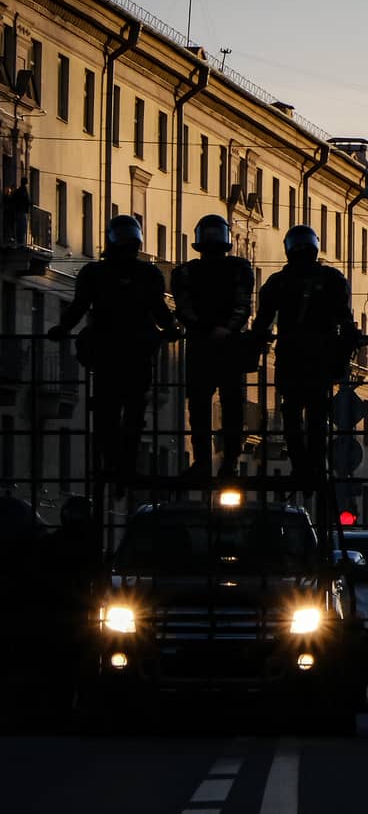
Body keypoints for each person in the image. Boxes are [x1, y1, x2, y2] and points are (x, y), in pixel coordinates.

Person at [47, 215, 180, 488]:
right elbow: (159, 311)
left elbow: (80, 306)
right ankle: (121, 465)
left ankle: (117, 463)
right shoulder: (142, 274)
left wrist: (63, 327)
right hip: (126, 352)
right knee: (125, 412)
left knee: (115, 411)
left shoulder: (99, 273)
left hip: (115, 352)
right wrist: (170, 330)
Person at [250, 225, 359, 491]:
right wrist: (341, 359)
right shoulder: (332, 279)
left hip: (290, 356)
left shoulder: (278, 282)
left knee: (292, 413)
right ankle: (315, 466)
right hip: (320, 357)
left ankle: (301, 466)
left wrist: (254, 349)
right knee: (317, 414)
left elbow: (261, 322)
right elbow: (346, 322)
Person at [171, 214, 254, 482]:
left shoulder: (186, 272)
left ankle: (209, 462)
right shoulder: (238, 269)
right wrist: (226, 329)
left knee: (207, 406)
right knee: (226, 406)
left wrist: (206, 329)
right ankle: (223, 462)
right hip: (224, 345)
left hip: (204, 345)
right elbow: (243, 306)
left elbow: (184, 309)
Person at [30, 496, 98, 726]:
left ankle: (60, 708)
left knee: (60, 664)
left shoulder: (54, 543)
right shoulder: (90, 545)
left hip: (60, 612)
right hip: (76, 613)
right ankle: (76, 706)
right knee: (77, 662)